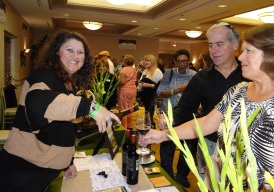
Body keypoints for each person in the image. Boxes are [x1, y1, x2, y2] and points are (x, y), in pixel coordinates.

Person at [141, 23, 274, 191]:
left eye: (249, 51)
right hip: (224, 183)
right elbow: (206, 123)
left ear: (272, 54)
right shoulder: (238, 91)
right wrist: (163, 135)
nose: (241, 57)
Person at [0, 31, 120, 192]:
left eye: (80, 52)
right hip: (23, 173)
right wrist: (91, 107)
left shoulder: (67, 82)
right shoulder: (44, 76)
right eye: (69, 50)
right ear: (56, 52)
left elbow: (60, 126)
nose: (75, 56)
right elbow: (37, 103)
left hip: (42, 172)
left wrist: (67, 163)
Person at [163, 22, 246, 187]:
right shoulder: (201, 77)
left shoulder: (249, 73)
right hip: (210, 144)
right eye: (210, 45)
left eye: (219, 44)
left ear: (235, 45)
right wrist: (170, 121)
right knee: (211, 186)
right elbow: (185, 107)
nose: (213, 50)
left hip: (243, 143)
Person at [156, 49, 196, 180]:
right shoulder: (170, 73)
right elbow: (160, 93)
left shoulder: (194, 75)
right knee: (168, 145)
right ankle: (167, 175)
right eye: (179, 61)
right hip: (170, 115)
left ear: (189, 62)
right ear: (175, 62)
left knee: (187, 148)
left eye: (184, 61)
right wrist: (178, 90)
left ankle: (181, 177)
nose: (182, 64)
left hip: (188, 116)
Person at [138, 54, 163, 128]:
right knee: (146, 113)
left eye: (148, 61)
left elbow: (160, 86)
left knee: (150, 113)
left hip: (152, 96)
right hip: (145, 95)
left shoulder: (157, 71)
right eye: (145, 60)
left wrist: (148, 85)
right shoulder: (145, 71)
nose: (145, 62)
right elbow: (141, 82)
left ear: (153, 62)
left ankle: (152, 129)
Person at [117, 54, 137, 129]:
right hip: (133, 90)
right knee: (130, 108)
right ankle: (130, 125)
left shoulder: (124, 70)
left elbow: (122, 81)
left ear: (124, 61)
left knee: (124, 109)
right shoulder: (134, 70)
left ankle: (124, 126)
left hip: (125, 91)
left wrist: (117, 79)